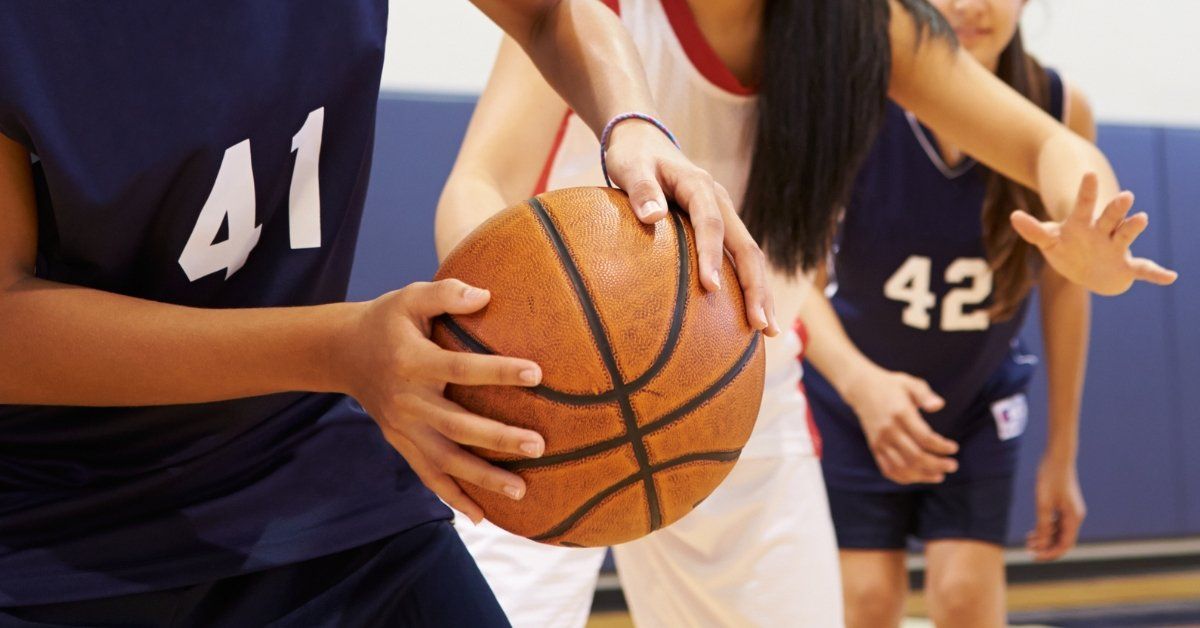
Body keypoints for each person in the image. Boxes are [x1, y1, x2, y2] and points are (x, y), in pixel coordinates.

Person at [0, 1, 777, 625]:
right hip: (54, 523)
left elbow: (550, 13)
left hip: (302, 469)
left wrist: (634, 122)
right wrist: (337, 349)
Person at [435, 0, 1176, 626]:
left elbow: (1047, 142)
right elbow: (478, 179)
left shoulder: (866, 26)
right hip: (541, 401)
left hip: (741, 401)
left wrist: (1091, 226)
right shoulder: (600, 15)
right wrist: (505, 336)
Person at [802, 1, 1102, 626]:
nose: (969, 5)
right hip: (854, 396)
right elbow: (789, 270)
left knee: (965, 595)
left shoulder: (1059, 105)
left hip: (975, 402)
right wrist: (859, 383)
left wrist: (1062, 454)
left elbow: (1069, 287)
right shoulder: (853, 91)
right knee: (865, 600)